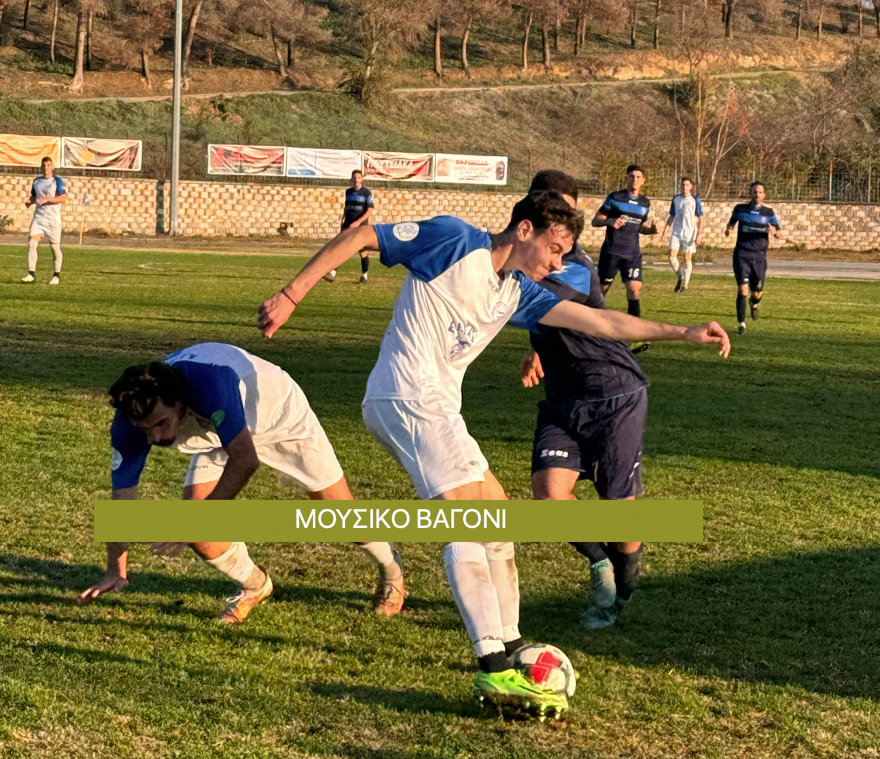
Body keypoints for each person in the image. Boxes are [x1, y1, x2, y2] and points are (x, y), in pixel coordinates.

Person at [259, 192, 729, 718]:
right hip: (405, 397)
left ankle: (509, 645)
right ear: (524, 229)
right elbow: (365, 235)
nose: (558, 263)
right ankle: (492, 665)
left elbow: (602, 323)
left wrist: (682, 332)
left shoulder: (516, 292)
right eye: (554, 249)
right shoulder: (455, 240)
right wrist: (292, 294)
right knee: (468, 520)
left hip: (438, 409)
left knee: (496, 519)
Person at [77, 343, 405, 620]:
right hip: (220, 436)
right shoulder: (130, 424)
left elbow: (246, 461)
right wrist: (115, 569)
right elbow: (123, 501)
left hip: (280, 418)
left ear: (179, 403)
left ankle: (391, 569)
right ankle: (255, 584)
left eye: (161, 423)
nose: (157, 437)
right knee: (200, 533)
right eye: (146, 429)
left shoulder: (211, 386)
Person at [523, 170, 647, 629]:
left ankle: (625, 575)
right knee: (550, 496)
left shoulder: (574, 265)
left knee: (618, 506)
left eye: (571, 212)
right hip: (562, 399)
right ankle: (600, 566)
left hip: (613, 393)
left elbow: (545, 302)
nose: (565, 222)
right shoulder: (530, 259)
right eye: (556, 210)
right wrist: (535, 348)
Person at [592, 164, 658, 318]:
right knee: (601, 291)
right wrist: (609, 222)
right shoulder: (615, 198)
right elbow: (595, 221)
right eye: (631, 176)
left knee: (634, 289)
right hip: (611, 251)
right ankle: (588, 326)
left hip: (632, 254)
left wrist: (651, 230)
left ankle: (634, 330)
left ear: (643, 180)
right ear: (626, 179)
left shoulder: (645, 203)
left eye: (638, 177)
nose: (634, 179)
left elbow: (640, 227)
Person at [725, 182, 782, 335]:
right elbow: (730, 224)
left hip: (759, 256)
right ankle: (741, 324)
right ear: (750, 194)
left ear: (764, 195)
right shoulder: (740, 209)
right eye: (755, 192)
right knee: (743, 289)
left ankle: (754, 303)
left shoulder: (768, 213)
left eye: (760, 192)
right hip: (742, 254)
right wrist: (728, 230)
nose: (757, 195)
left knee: (757, 291)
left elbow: (779, 234)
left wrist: (773, 231)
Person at [22, 155, 67, 285]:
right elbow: (34, 197)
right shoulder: (37, 182)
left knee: (54, 247)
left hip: (53, 220)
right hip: (39, 218)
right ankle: (31, 274)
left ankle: (56, 275)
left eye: (48, 165)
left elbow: (63, 198)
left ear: (52, 167)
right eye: (44, 165)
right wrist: (29, 202)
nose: (46, 167)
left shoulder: (57, 181)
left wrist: (48, 199)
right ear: (41, 166)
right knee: (32, 243)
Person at [660, 177, 704, 293]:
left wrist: (699, 234)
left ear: (691, 187)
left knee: (686, 259)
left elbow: (701, 219)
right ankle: (680, 276)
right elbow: (671, 216)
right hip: (676, 232)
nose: (684, 187)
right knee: (671, 256)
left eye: (687, 185)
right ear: (680, 186)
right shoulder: (676, 199)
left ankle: (685, 285)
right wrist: (665, 232)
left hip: (689, 233)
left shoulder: (695, 200)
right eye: (683, 185)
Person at [338, 169, 374, 285]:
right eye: (354, 178)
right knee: (340, 246)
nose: (356, 180)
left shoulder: (367, 193)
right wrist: (343, 217)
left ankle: (364, 275)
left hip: (360, 225)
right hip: (348, 224)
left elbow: (369, 211)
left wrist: (358, 222)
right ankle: (332, 272)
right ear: (351, 179)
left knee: (362, 250)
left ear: (362, 179)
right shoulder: (348, 192)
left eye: (358, 177)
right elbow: (347, 207)